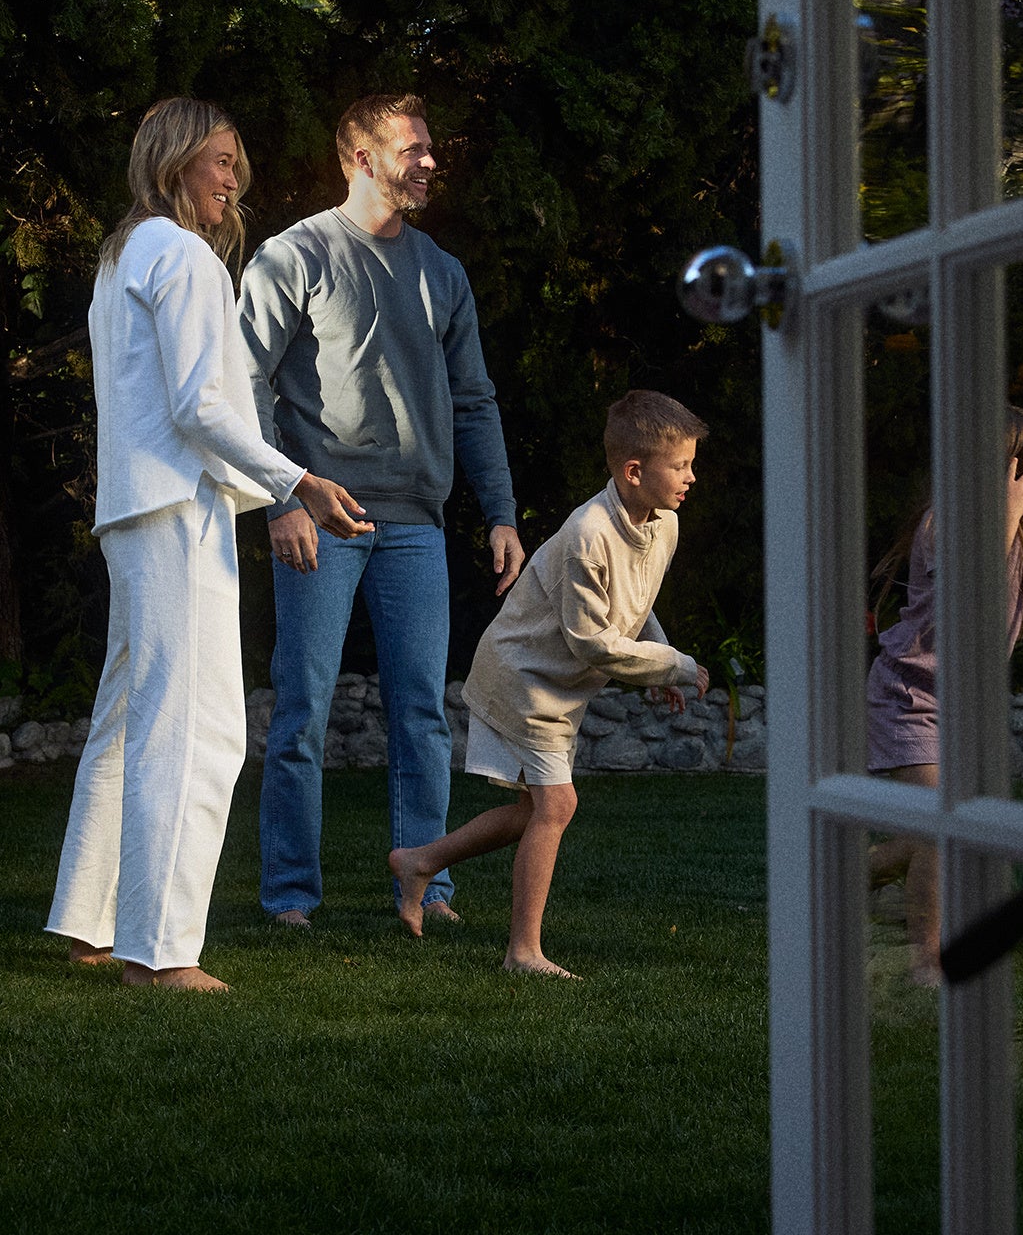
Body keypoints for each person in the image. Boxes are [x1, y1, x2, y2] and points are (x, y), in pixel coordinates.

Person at [44, 98, 374, 993]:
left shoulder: (123, 258)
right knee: (197, 731)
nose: (234, 179)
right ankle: (161, 951)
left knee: (128, 718)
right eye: (220, 161)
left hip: (134, 510)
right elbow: (200, 406)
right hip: (178, 510)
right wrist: (296, 479)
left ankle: (90, 920)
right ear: (175, 159)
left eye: (238, 164)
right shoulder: (181, 255)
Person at [240, 93, 522, 931]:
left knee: (422, 715)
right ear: (359, 158)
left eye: (431, 147)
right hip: (321, 518)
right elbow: (242, 381)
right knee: (302, 711)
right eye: (414, 147)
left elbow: (474, 399)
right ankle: (291, 894)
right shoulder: (294, 256)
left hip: (417, 525)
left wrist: (500, 512)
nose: (431, 160)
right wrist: (282, 494)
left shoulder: (442, 271)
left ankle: (426, 885)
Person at [385, 390, 708, 979]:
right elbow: (592, 641)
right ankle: (522, 953)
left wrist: (659, 660)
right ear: (634, 472)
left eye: (690, 463)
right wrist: (677, 665)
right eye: (680, 465)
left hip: (558, 685)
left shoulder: (664, 526)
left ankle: (419, 862)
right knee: (557, 805)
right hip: (522, 676)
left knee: (532, 809)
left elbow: (634, 606)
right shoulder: (588, 533)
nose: (691, 476)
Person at [864, 405, 1023, 983]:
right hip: (911, 696)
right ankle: (928, 957)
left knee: (930, 832)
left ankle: (849, 879)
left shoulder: (1017, 519)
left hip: (958, 703)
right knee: (940, 826)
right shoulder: (942, 522)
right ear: (1004, 472)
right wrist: (1009, 510)